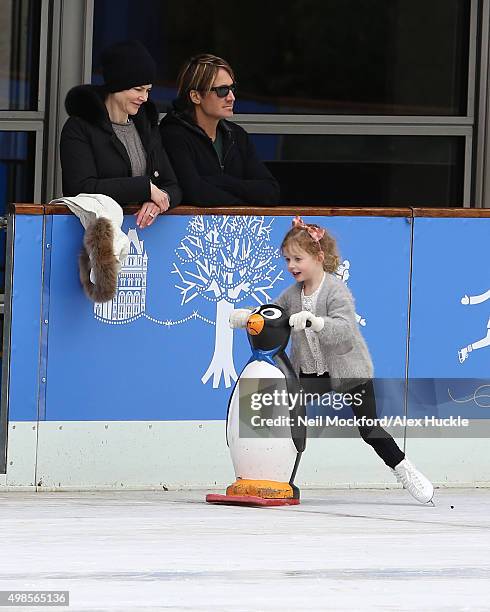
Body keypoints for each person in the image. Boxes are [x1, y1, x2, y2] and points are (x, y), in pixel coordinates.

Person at [230, 216, 435, 505]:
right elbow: (272, 313)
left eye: (297, 258)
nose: (291, 266)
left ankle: (403, 468)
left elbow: (345, 330)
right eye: (287, 259)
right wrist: (250, 316)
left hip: (350, 372)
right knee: (281, 406)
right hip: (313, 375)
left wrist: (315, 322)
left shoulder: (336, 290)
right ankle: (275, 475)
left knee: (369, 429)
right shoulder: (292, 295)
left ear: (318, 257)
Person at [60, 40, 182, 229]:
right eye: (138, 89)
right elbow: (81, 189)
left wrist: (157, 201)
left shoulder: (147, 126)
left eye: (148, 90)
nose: (145, 98)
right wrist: (145, 189)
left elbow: (172, 185)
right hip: (94, 237)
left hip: (144, 239)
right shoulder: (79, 127)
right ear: (117, 85)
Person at [159, 53, 280, 206]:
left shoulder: (237, 135)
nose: (231, 97)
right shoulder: (173, 135)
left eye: (232, 88)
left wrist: (221, 181)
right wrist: (246, 199)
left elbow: (271, 191)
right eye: (222, 90)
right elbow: (196, 193)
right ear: (195, 96)